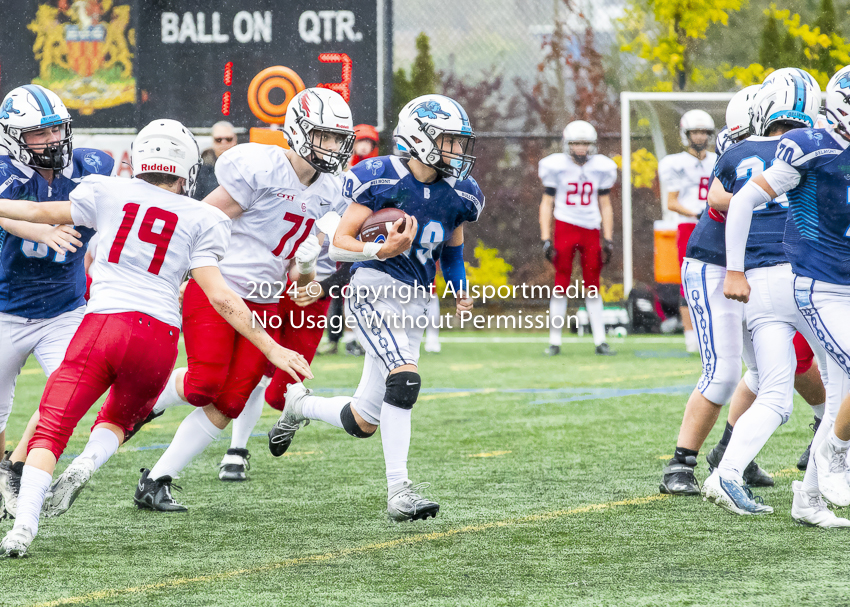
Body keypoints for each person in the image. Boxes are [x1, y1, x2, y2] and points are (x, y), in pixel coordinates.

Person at [0, 119, 312, 557]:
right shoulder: (203, 215)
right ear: (186, 169)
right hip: (158, 339)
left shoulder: (107, 190)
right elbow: (221, 295)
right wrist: (272, 346)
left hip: (103, 325)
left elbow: (34, 213)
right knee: (118, 419)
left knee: (51, 428)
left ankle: (23, 529)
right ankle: (88, 463)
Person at [134, 88, 355, 510]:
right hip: (220, 287)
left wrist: (308, 269)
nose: (332, 145)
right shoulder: (261, 167)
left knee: (234, 399)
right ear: (298, 131)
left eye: (336, 137)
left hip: (267, 300)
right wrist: (175, 272)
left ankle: (158, 479)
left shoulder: (331, 190)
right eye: (323, 135)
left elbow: (297, 268)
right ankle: (149, 402)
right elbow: (201, 219)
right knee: (204, 385)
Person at [266, 94, 484, 522]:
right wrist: (381, 249)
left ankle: (300, 407)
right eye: (450, 141)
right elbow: (341, 243)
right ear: (421, 138)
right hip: (372, 289)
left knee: (364, 419)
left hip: (416, 300)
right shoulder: (380, 176)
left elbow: (453, 252)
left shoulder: (460, 193)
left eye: (460, 142)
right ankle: (400, 491)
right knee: (404, 379)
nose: (458, 151)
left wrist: (460, 287)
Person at [711, 67, 850, 526]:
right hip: (811, 280)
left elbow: (722, 201)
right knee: (825, 389)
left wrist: (735, 270)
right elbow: (752, 198)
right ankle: (833, 461)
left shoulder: (751, 148)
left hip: (783, 282)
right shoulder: (814, 147)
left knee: (801, 392)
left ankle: (782, 490)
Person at [0, 84, 114, 519]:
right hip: (5, 305)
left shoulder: (91, 164)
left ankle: (15, 467)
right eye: (37, 133)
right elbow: (8, 213)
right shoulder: (5, 172)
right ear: (13, 136)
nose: (51, 141)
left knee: (69, 390)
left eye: (55, 130)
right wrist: (42, 231)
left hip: (64, 308)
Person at [660, 86, 771, 496]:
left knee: (767, 372)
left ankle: (731, 454)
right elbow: (719, 198)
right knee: (723, 374)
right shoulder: (736, 146)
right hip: (715, 264)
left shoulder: (791, 148)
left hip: (754, 266)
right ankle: (679, 465)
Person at [538, 120, 617, 356]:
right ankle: (554, 341)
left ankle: (600, 340)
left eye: (585, 143)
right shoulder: (556, 166)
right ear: (567, 144)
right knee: (560, 284)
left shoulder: (602, 167)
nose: (581, 148)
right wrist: (545, 237)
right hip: (565, 225)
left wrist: (608, 237)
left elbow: (605, 204)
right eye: (576, 143)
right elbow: (547, 203)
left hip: (591, 227)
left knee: (593, 285)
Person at [657, 110, 717, 353]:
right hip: (689, 226)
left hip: (715, 224)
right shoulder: (676, 163)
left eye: (704, 132)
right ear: (686, 134)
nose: (700, 136)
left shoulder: (717, 159)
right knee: (688, 278)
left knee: (718, 276)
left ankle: (713, 332)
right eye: (695, 132)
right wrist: (695, 212)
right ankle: (691, 337)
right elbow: (670, 203)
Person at [193, 121, 238, 200]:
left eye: (228, 139)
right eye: (218, 140)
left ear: (235, 140)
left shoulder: (244, 165)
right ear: (213, 142)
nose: (224, 143)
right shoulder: (201, 169)